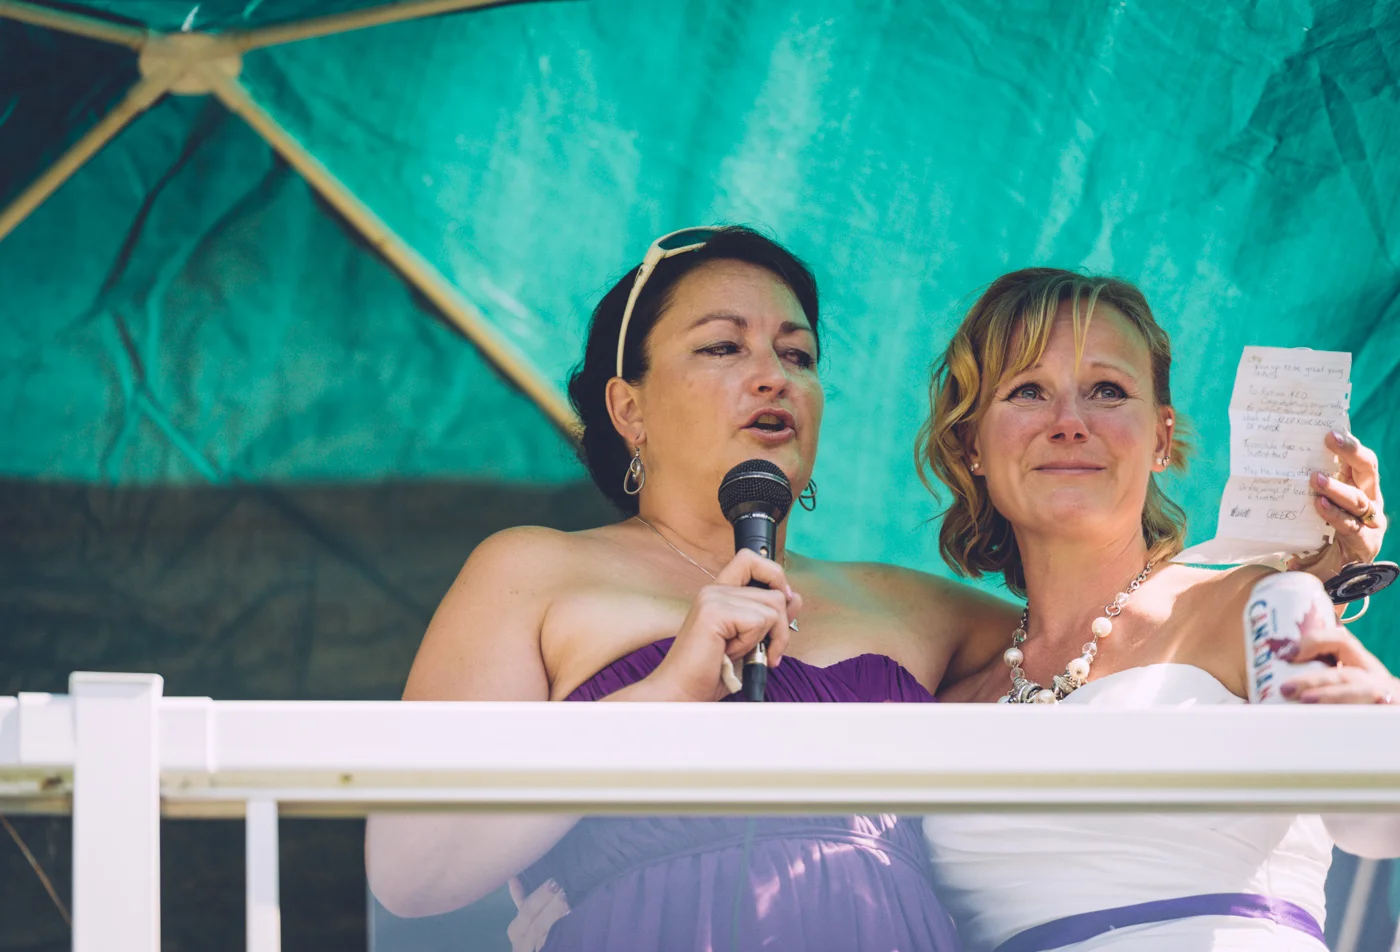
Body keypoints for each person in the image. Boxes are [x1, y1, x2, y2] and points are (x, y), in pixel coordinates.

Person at [366, 226, 1017, 951]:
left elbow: (1097, 635)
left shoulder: (916, 606)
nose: (774, 377)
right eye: (722, 347)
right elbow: (410, 870)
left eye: (798, 355)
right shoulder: (530, 571)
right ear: (629, 410)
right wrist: (664, 693)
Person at [919, 267, 1398, 951]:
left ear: (1161, 438)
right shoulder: (948, 700)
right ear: (972, 445)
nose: (1069, 424)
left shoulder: (1260, 608)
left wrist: (1380, 724)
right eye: (1028, 391)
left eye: (1107, 391)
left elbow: (1375, 821)